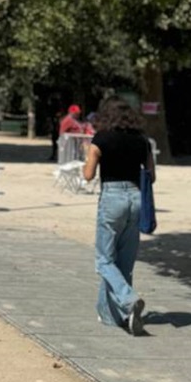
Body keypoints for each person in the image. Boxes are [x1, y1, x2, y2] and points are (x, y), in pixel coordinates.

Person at [82, 97, 155, 335]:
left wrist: (88, 153)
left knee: (104, 260)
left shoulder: (101, 139)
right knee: (124, 262)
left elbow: (88, 174)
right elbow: (151, 175)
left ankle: (128, 299)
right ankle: (113, 315)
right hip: (135, 197)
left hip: (112, 197)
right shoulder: (142, 141)